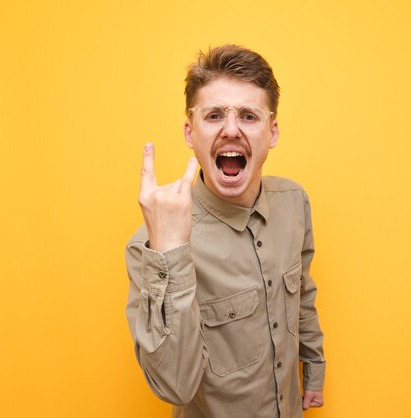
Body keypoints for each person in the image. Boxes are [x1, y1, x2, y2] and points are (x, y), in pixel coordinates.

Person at [125, 44, 325, 418]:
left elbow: (303, 295)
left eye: (248, 116)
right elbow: (175, 387)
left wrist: (313, 368)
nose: (231, 129)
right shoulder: (149, 246)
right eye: (214, 115)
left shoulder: (295, 202)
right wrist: (171, 253)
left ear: (273, 131)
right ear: (190, 131)